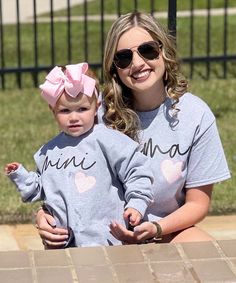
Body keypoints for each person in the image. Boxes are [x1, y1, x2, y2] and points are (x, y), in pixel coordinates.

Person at [35, 11, 231, 247]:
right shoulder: (97, 115)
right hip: (104, 233)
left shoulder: (195, 115)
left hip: (167, 230)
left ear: (164, 51)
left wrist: (155, 228)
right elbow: (65, 173)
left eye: (148, 50)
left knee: (214, 263)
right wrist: (43, 215)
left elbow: (197, 205)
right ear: (114, 67)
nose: (137, 64)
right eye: (124, 58)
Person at [5, 62, 155, 248]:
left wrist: (136, 203)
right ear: (53, 111)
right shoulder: (49, 151)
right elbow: (41, 189)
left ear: (96, 105)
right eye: (65, 110)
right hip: (62, 244)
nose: (74, 117)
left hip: (107, 239)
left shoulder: (109, 140)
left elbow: (137, 171)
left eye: (82, 109)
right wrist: (20, 175)